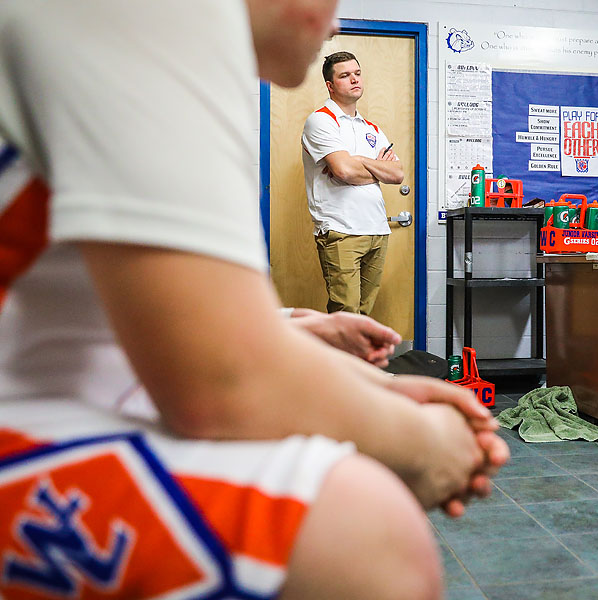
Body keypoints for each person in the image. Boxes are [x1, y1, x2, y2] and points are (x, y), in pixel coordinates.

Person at [0, 2, 508, 599]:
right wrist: (426, 445)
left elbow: (103, 311)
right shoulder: (164, 17)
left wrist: (290, 336)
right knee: (365, 532)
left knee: (345, 376)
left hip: (58, 382)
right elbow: (221, 385)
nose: (337, 21)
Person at [302, 51, 401, 315]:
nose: (354, 80)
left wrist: (358, 161)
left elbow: (397, 174)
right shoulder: (321, 120)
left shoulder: (372, 128)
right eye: (345, 76)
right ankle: (336, 358)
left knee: (364, 315)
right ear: (330, 85)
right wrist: (375, 167)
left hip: (377, 229)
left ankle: (357, 359)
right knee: (345, 314)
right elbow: (344, 170)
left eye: (357, 73)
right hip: (341, 230)